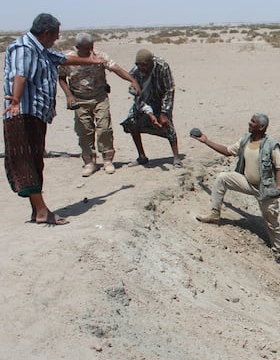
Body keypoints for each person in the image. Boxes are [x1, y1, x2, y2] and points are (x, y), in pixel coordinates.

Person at [3, 13, 105, 225]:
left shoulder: (42, 50)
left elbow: (64, 59)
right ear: (46, 33)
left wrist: (90, 60)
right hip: (21, 112)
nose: (57, 39)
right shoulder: (24, 48)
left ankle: (36, 211)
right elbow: (20, 75)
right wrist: (15, 101)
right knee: (26, 160)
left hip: (36, 113)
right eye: (56, 35)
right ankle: (42, 212)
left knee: (35, 160)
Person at [193, 113, 280, 263]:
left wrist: (279, 186)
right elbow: (227, 151)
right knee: (222, 178)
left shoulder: (271, 145)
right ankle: (214, 214)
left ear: (261, 127)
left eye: (253, 122)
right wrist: (206, 141)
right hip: (247, 182)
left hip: (266, 189)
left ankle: (278, 250)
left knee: (271, 222)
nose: (249, 123)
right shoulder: (245, 140)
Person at [58, 33, 141, 176]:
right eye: (85, 49)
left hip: (100, 98)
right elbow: (61, 78)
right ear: (77, 48)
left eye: (91, 48)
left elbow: (116, 69)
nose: (90, 52)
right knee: (85, 131)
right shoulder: (69, 58)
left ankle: (108, 160)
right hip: (80, 100)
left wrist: (132, 80)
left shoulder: (100, 56)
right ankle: (89, 162)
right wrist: (69, 96)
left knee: (104, 128)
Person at [121, 49, 180, 167]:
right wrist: (149, 113)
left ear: (150, 63)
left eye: (144, 65)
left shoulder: (162, 66)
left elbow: (169, 89)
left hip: (160, 99)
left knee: (167, 126)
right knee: (132, 122)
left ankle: (176, 158)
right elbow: (136, 96)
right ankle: (142, 156)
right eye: (139, 65)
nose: (142, 68)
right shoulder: (136, 72)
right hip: (144, 101)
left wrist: (164, 112)